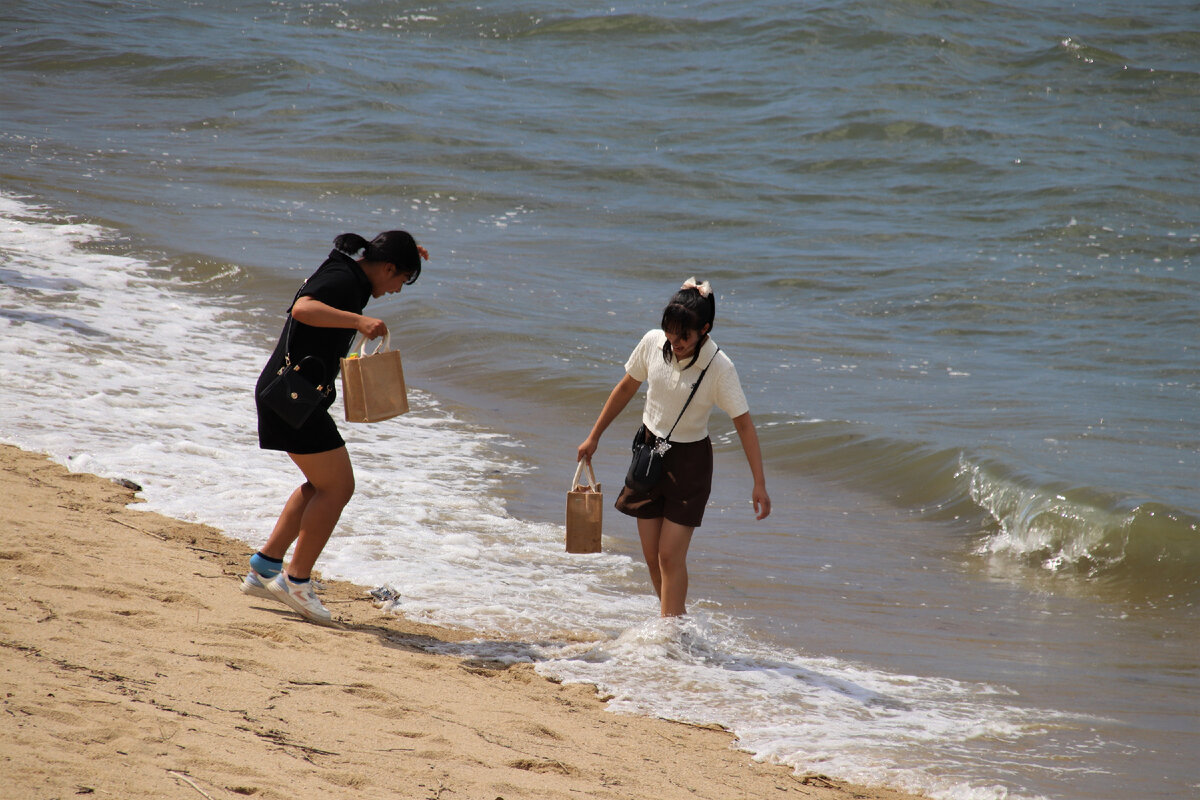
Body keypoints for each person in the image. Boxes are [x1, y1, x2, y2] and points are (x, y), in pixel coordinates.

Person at [241, 230, 428, 624]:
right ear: (389, 267)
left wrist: (409, 255)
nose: (396, 291)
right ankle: (296, 581)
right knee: (339, 487)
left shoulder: (349, 270)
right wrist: (359, 319)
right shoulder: (345, 280)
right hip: (292, 398)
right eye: (400, 280)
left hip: (288, 393)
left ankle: (265, 566)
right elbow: (303, 309)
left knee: (319, 486)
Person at [577, 278, 771, 617]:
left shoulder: (719, 368)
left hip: (690, 465)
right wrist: (594, 436)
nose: (676, 342)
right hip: (649, 455)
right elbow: (625, 388)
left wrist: (759, 483)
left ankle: (671, 635)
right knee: (652, 557)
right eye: (671, 332)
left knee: (670, 556)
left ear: (705, 330)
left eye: (685, 336)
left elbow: (744, 424)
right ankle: (675, 625)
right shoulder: (653, 343)